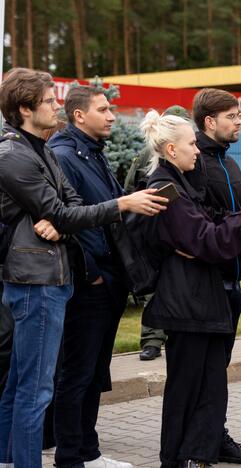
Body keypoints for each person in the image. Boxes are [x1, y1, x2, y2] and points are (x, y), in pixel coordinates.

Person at [0, 67, 167, 468]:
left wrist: (61, 218)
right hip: (36, 280)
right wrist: (120, 205)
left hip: (50, 276)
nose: (56, 106)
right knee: (35, 389)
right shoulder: (14, 154)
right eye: (48, 101)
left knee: (24, 383)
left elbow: (69, 208)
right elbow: (62, 209)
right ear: (24, 108)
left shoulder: (40, 148)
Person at [136, 110, 241, 468]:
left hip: (201, 301)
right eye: (190, 144)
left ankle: (199, 455)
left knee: (210, 384)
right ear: (171, 149)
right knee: (188, 387)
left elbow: (208, 226)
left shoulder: (182, 185)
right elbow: (207, 240)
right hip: (187, 305)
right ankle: (181, 458)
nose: (197, 151)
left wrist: (239, 219)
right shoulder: (165, 191)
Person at [47, 85, 133, 468]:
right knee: (77, 373)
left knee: (95, 370)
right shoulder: (65, 156)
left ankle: (89, 450)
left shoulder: (92, 154)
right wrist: (93, 274)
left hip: (109, 281)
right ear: (79, 116)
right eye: (103, 109)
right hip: (88, 283)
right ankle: (70, 457)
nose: (112, 115)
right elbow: (70, 222)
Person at [185, 88, 241, 463]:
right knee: (203, 372)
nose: (239, 121)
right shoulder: (194, 161)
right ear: (209, 122)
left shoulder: (229, 162)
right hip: (205, 284)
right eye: (232, 116)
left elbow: (239, 215)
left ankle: (215, 436)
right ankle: (200, 444)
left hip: (233, 283)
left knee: (218, 370)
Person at [123, 105, 191, 362]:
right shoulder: (146, 155)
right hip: (152, 229)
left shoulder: (192, 153)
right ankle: (151, 340)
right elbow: (130, 188)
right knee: (154, 288)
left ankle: (174, 337)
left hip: (182, 228)